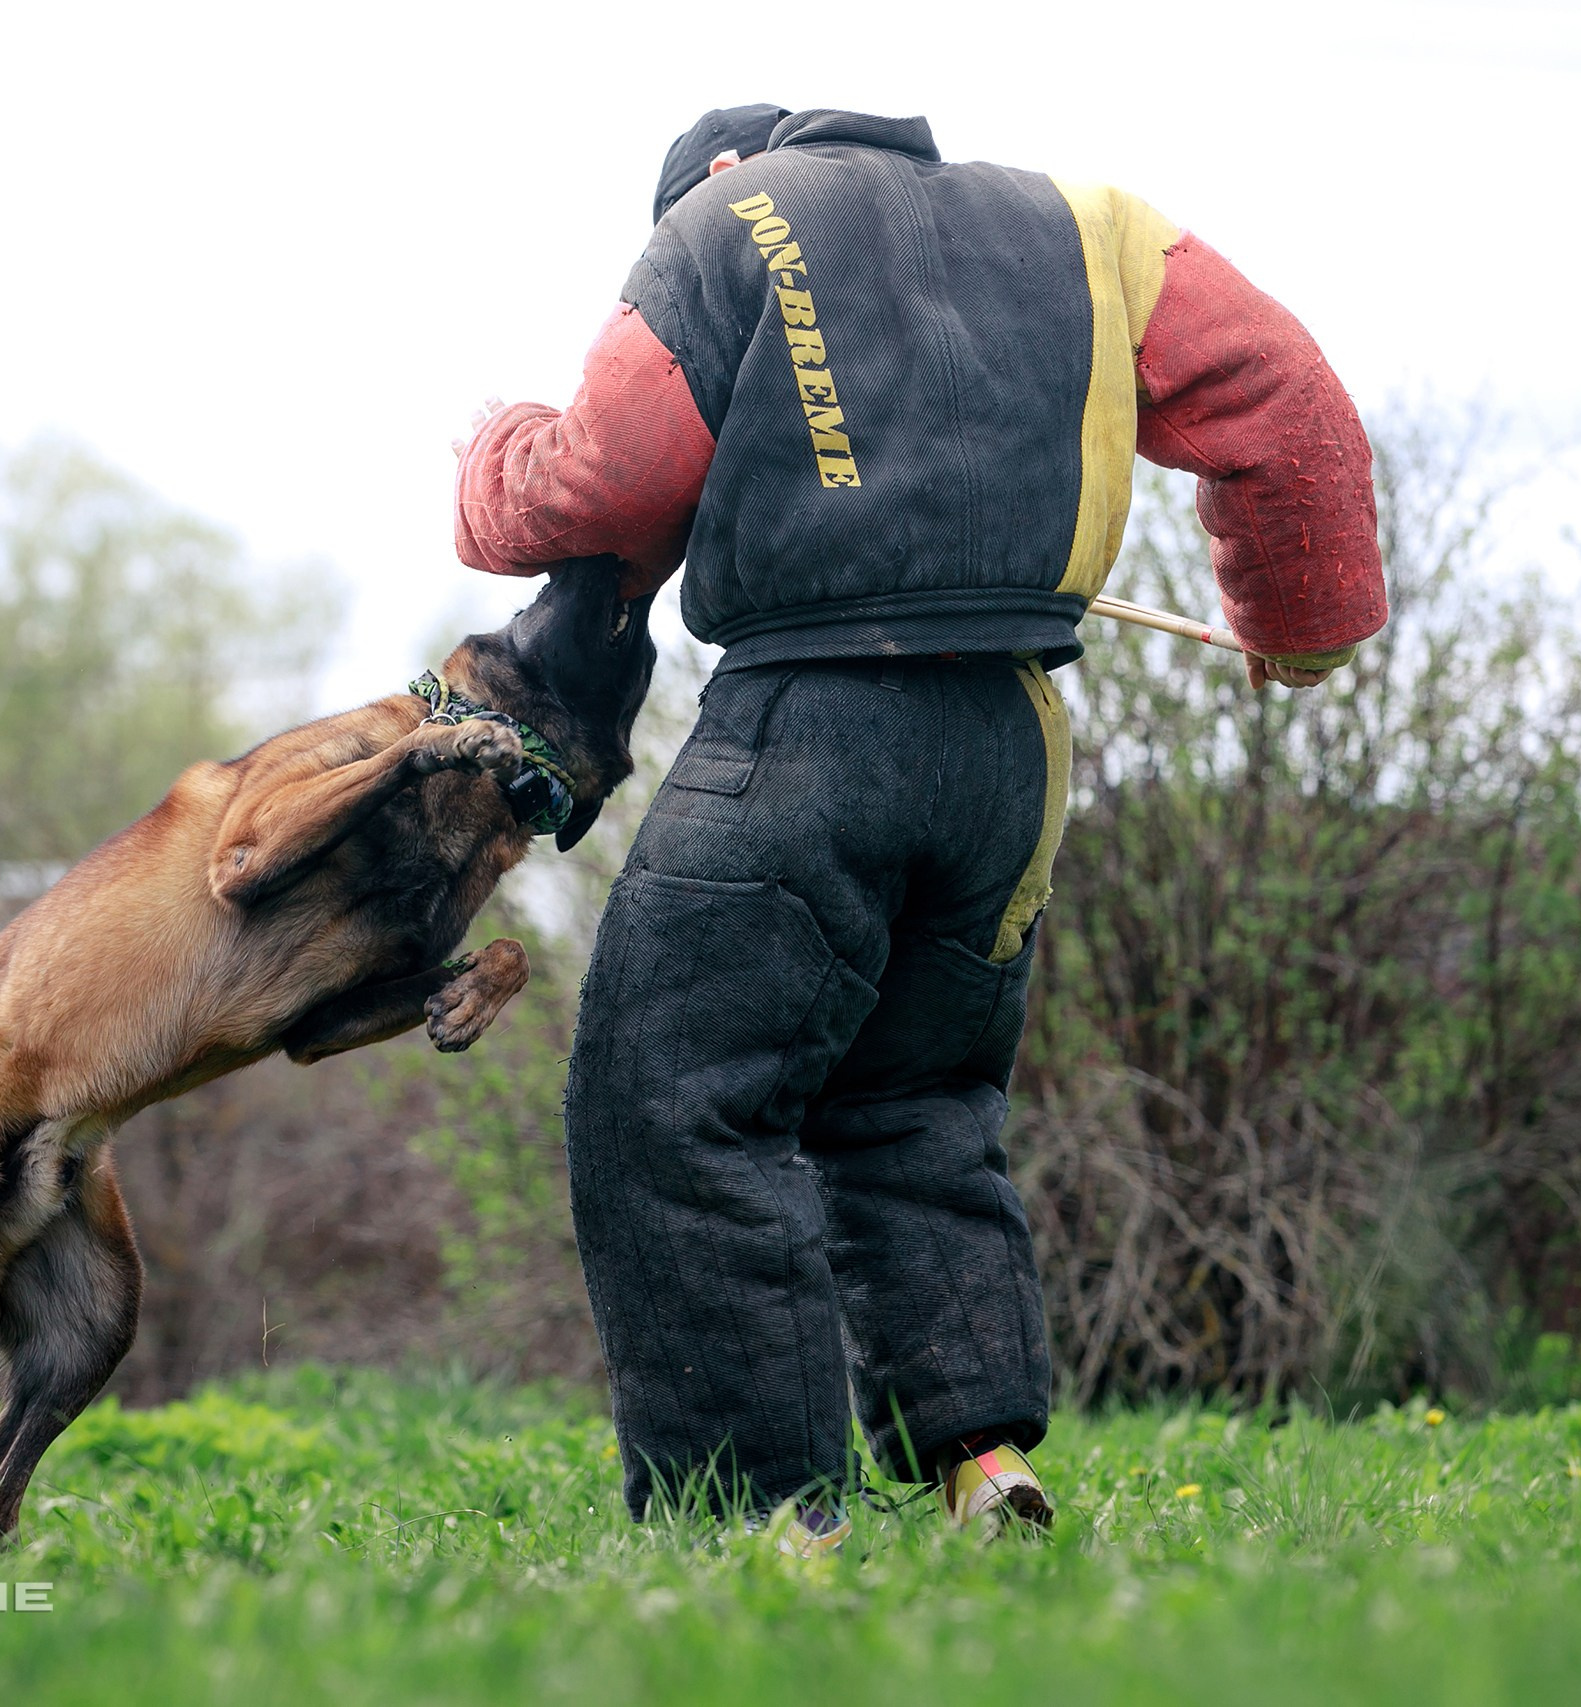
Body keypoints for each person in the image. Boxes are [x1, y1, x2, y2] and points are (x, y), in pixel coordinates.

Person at [451, 105, 1386, 1553]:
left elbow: (603, 482)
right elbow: (1290, 406)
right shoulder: (1097, 230)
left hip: (809, 733)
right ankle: (983, 1463)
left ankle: (762, 1520)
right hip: (1009, 756)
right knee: (919, 1109)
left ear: (707, 182)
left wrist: (493, 456)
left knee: (673, 1099)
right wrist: (1306, 625)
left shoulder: (725, 226)